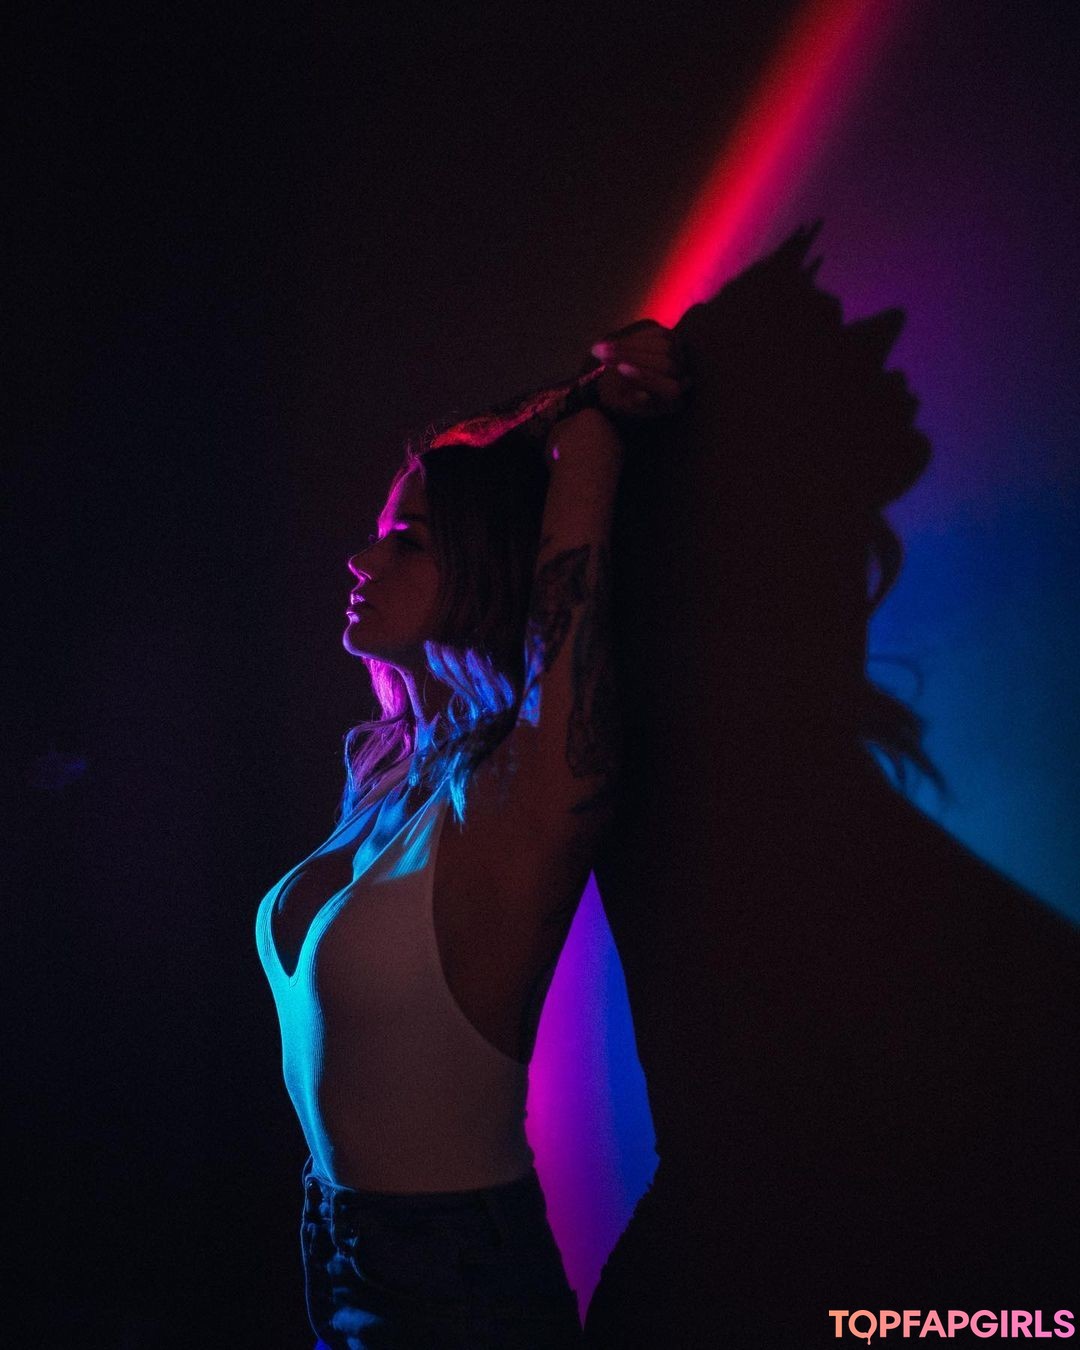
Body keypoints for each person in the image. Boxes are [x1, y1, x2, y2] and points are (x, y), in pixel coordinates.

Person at [581, 225, 1080, 1347]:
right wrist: (596, 410)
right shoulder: (685, 699)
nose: (884, 332)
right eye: (824, 332)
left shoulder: (761, 721)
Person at [255, 322, 686, 1348]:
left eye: (408, 541)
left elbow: (571, 588)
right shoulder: (395, 774)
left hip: (452, 1277)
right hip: (334, 1242)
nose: (361, 557)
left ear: (489, 561)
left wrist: (589, 423)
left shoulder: (528, 786)